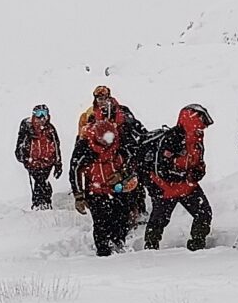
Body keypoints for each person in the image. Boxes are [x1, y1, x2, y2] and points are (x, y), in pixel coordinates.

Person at [143, 105, 217, 252]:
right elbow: (162, 169)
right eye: (201, 122)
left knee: (204, 213)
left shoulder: (197, 140)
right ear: (192, 120)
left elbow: (199, 162)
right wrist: (184, 175)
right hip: (166, 188)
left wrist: (199, 172)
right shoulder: (172, 138)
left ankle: (197, 245)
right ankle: (150, 250)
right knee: (159, 221)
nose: (203, 128)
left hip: (187, 186)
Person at [81, 107, 145, 256]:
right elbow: (75, 169)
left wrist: (122, 174)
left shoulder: (122, 141)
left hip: (118, 189)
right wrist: (79, 195)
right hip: (95, 191)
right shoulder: (85, 146)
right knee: (101, 222)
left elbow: (133, 160)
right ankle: (103, 251)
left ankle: (118, 243)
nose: (108, 144)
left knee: (121, 218)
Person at [71, 86, 145, 214]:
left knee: (133, 184)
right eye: (99, 98)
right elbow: (82, 136)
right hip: (98, 152)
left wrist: (137, 141)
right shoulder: (90, 115)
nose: (102, 101)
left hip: (121, 149)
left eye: (104, 97)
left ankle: (138, 210)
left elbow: (137, 128)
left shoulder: (122, 112)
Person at [16, 105, 63, 208]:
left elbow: (56, 145)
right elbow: (19, 147)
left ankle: (44, 202)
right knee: (40, 180)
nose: (41, 118)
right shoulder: (27, 129)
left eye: (44, 115)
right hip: (33, 162)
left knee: (42, 180)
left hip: (48, 162)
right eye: (38, 115)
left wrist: (58, 163)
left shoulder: (50, 129)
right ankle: (40, 203)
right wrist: (24, 158)